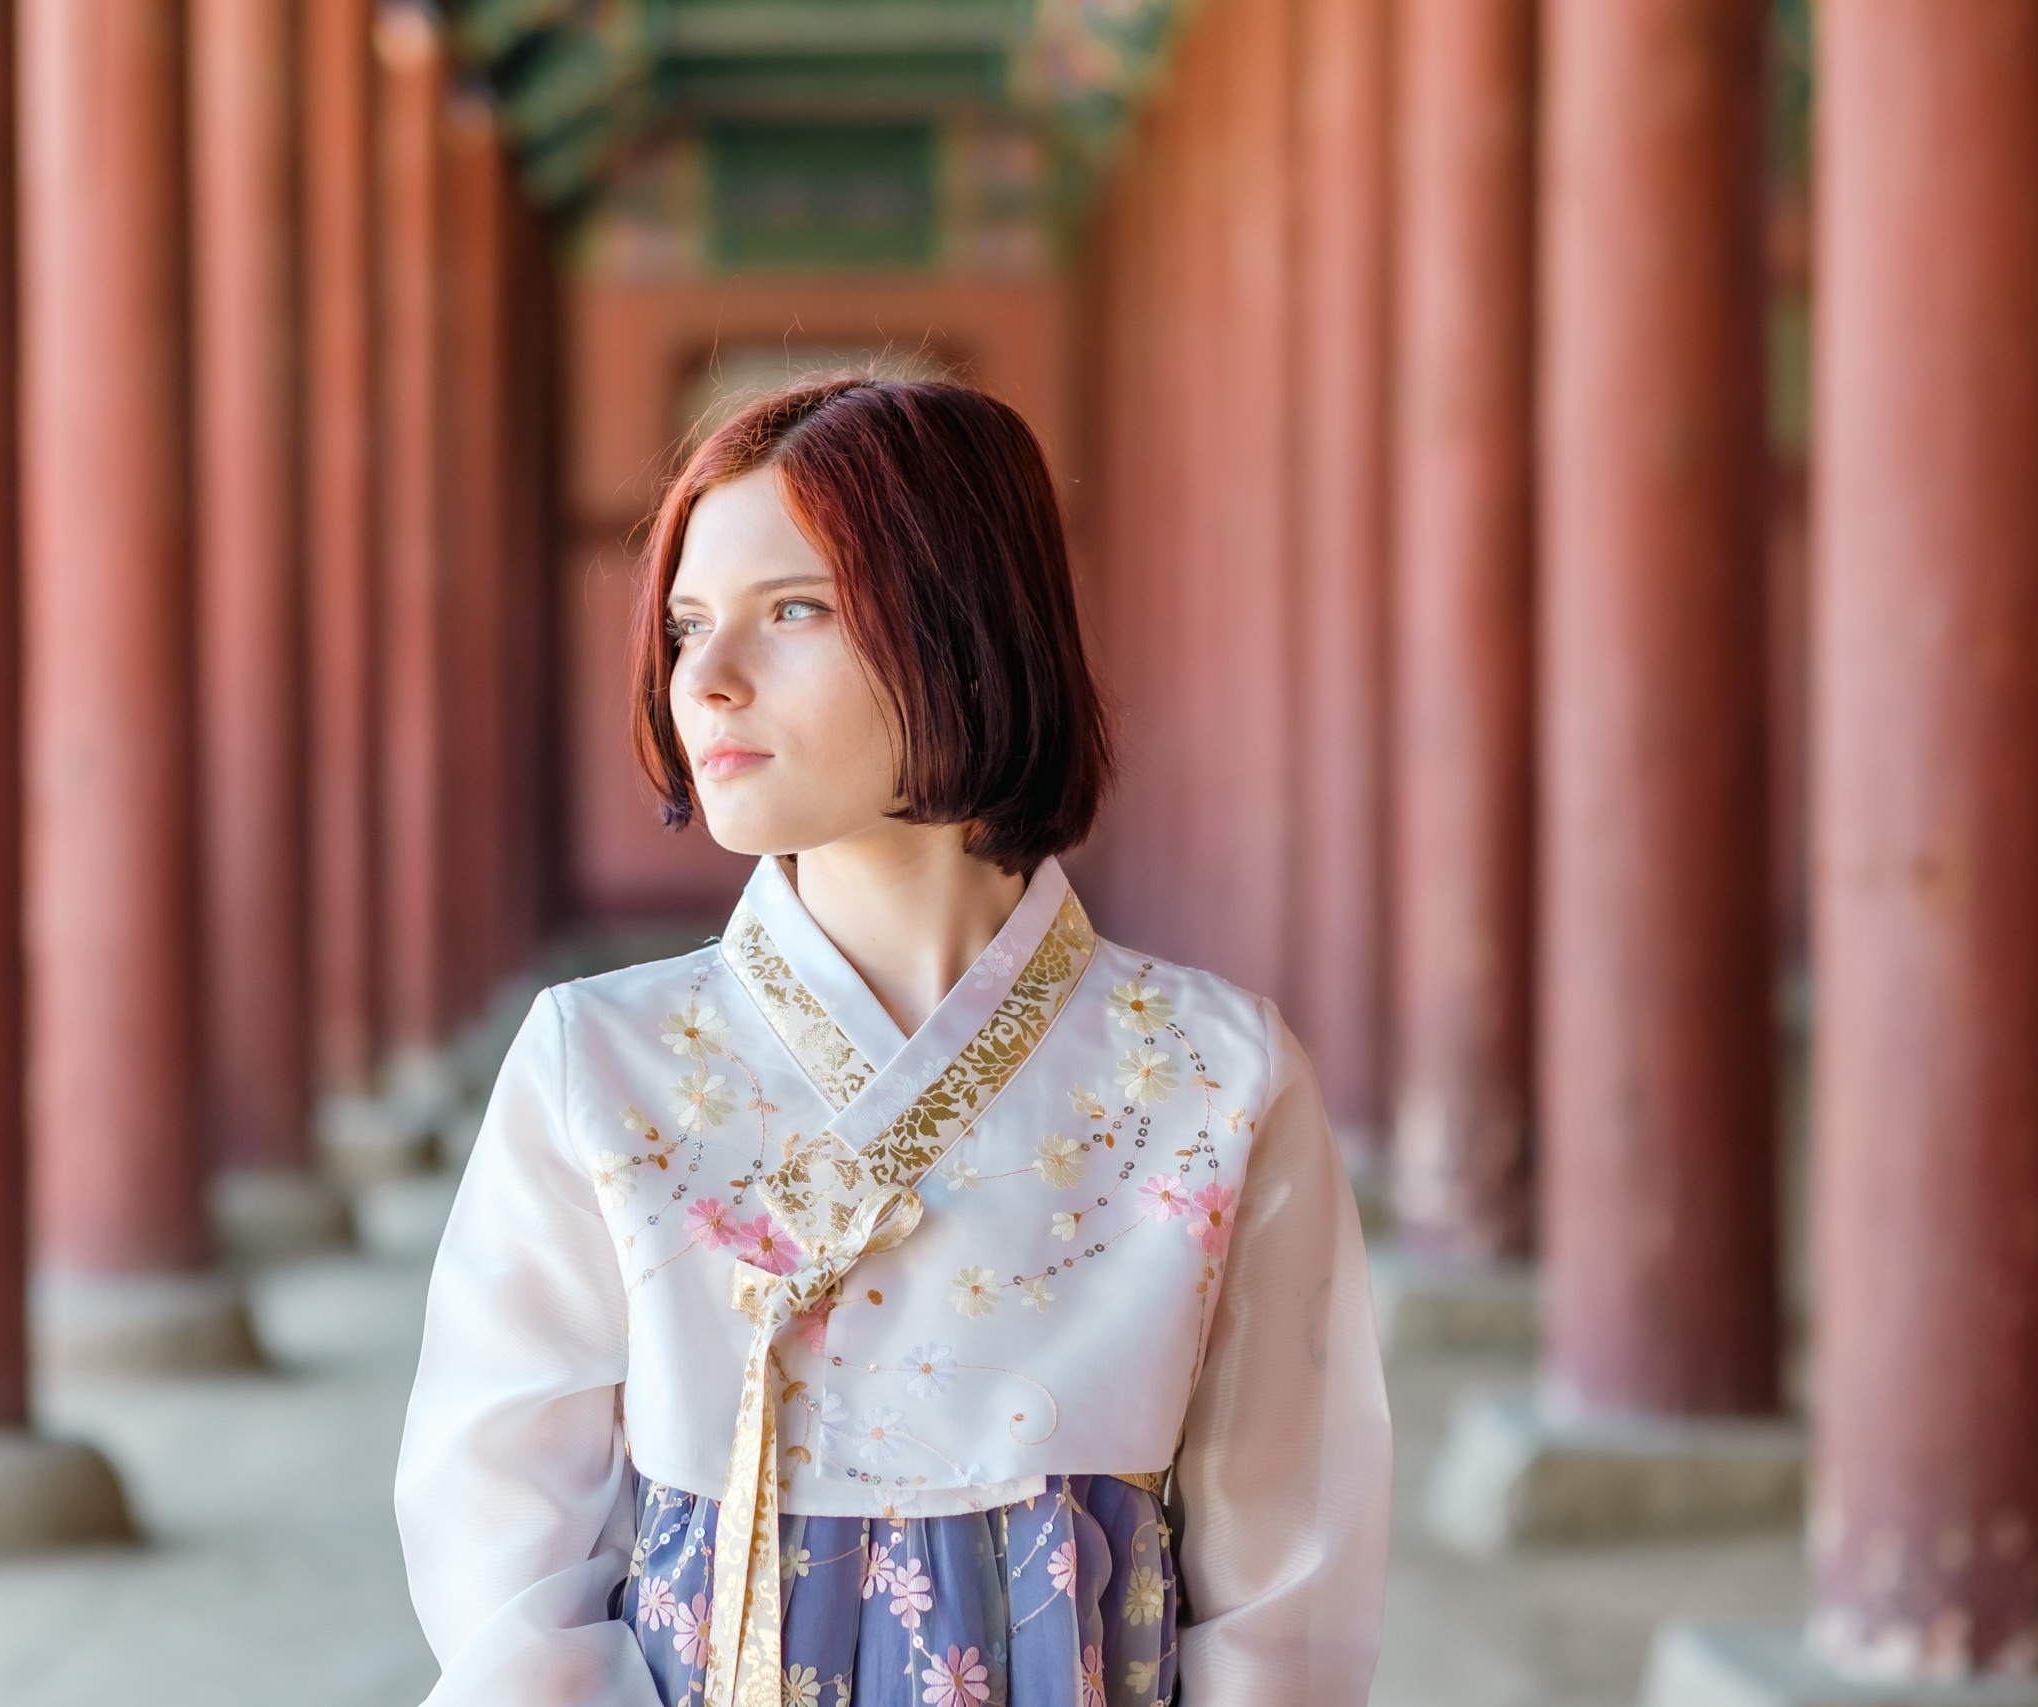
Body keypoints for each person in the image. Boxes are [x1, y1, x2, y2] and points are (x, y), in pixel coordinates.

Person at [396, 376, 1391, 1707]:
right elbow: (502, 1555)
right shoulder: (599, 1061)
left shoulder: (1215, 1075)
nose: (710, 678)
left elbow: (1286, 1597)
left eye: (792, 610)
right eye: (688, 626)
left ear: (963, 622)